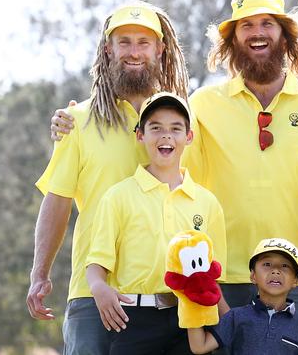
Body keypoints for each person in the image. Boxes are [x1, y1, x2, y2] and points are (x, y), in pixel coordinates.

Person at [49, 0, 298, 329]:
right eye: (246, 26)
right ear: (233, 40)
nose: (257, 33)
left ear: (285, 35)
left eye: (268, 24)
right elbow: (157, 144)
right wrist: (78, 119)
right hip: (220, 277)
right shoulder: (203, 105)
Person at [26, 0, 189, 354]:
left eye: (144, 42)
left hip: (169, 298)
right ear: (108, 48)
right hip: (92, 295)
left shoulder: (183, 125)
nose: (134, 52)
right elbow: (58, 200)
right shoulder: (78, 122)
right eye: (124, 41)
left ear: (160, 49)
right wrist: (40, 273)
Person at [85, 92, 227, 354]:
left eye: (175, 128)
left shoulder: (207, 203)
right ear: (140, 135)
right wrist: (98, 288)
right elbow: (97, 263)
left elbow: (213, 277)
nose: (166, 136)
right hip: (132, 320)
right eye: (156, 128)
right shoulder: (118, 196)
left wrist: (230, 322)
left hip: (190, 321)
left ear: (189, 136)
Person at [187, 238, 298, 355]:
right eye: (267, 264)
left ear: (295, 280)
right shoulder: (235, 316)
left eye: (285, 266)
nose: (276, 270)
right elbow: (199, 347)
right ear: (253, 276)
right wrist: (188, 299)